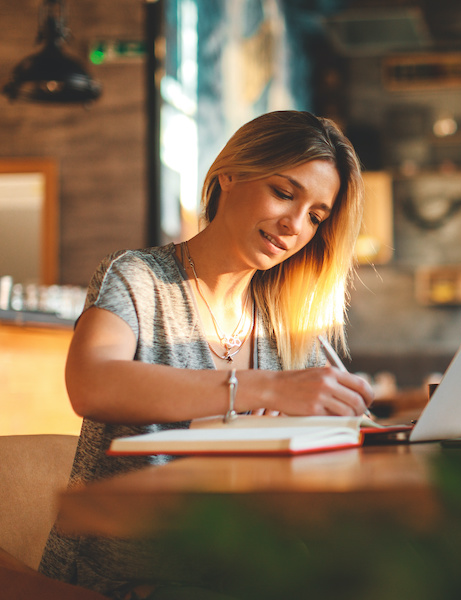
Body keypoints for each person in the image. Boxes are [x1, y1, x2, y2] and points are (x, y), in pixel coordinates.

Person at [39, 110, 375, 599]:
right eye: (284, 193)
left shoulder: (289, 324)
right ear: (230, 174)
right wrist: (265, 389)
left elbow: (331, 452)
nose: (294, 224)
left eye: (316, 217)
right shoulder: (139, 278)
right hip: (134, 578)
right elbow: (91, 384)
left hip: (240, 567)